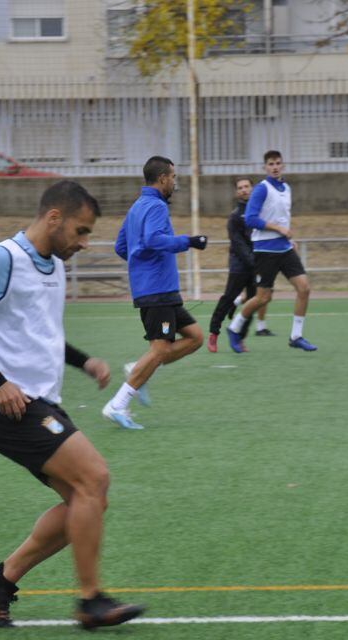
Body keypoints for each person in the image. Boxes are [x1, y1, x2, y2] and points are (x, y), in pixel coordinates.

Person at [0, 179, 145, 630]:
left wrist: (83, 361)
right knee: (95, 478)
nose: (84, 242)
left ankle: (1, 577)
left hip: (40, 402)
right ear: (54, 218)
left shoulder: (54, 265)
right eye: (81, 230)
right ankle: (90, 601)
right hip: (3, 406)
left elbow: (39, 335)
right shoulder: (3, 259)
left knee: (86, 500)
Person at [102, 156, 207, 430]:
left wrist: (141, 265)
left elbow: (121, 247)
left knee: (195, 337)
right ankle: (118, 404)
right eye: (172, 177)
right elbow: (153, 240)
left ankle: (138, 368)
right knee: (159, 351)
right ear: (162, 179)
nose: (174, 181)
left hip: (162, 290)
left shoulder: (136, 207)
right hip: (156, 291)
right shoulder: (156, 206)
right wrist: (190, 241)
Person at [225, 149, 317, 353]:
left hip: (284, 249)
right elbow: (250, 219)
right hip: (265, 251)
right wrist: (278, 229)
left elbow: (283, 218)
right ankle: (234, 328)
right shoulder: (261, 189)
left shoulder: (286, 188)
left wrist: (287, 237)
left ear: (282, 165)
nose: (275, 167)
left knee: (304, 288)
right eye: (271, 164)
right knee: (262, 298)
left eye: (278, 163)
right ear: (265, 167)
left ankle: (296, 336)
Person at [207, 178, 271, 352]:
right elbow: (238, 244)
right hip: (239, 266)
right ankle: (213, 333)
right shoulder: (235, 216)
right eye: (240, 188)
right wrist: (254, 262)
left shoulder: (260, 213)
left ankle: (239, 337)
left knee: (253, 301)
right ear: (237, 192)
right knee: (227, 298)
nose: (244, 190)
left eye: (246, 187)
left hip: (256, 265)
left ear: (252, 189)